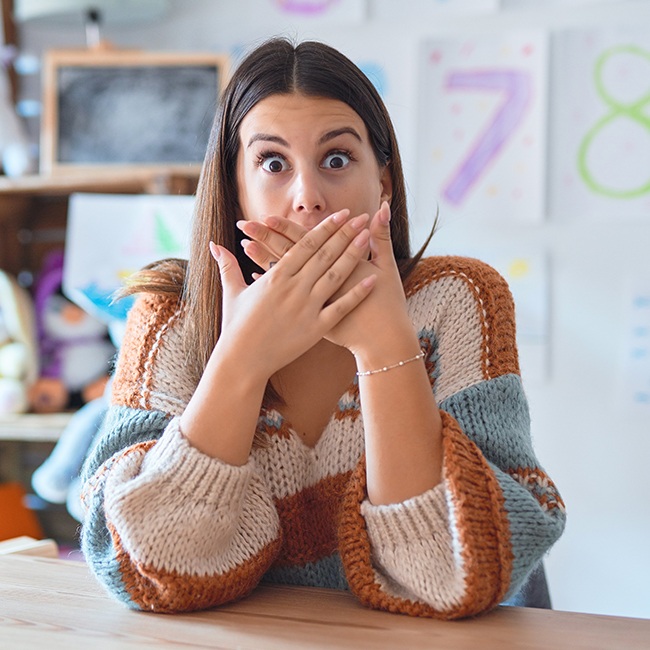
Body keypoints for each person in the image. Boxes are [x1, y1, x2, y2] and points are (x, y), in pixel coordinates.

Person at [80, 37, 566, 618]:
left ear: (382, 183)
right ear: (234, 185)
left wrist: (385, 344)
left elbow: (448, 578)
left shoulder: (456, 300)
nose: (307, 197)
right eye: (272, 163)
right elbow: (147, 573)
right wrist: (241, 358)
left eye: (336, 159)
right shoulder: (170, 319)